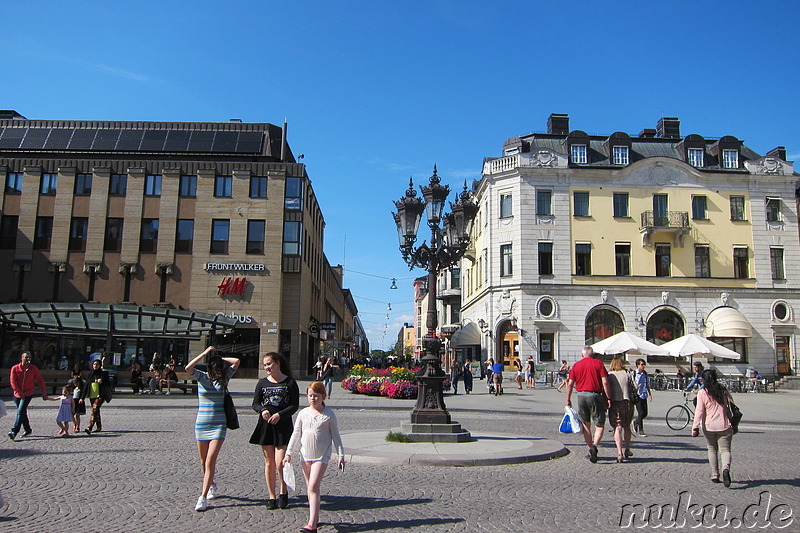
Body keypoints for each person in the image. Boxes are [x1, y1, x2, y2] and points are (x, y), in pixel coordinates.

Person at [284, 381, 345, 533]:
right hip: (305, 454)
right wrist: (288, 453)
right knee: (310, 487)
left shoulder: (329, 415)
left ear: (323, 396)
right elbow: (296, 434)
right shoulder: (303, 413)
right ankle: (315, 516)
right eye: (310, 395)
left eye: (316, 396)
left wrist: (341, 455)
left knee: (313, 486)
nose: (312, 399)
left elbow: (335, 436)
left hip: (322, 455)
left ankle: (312, 524)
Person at [185, 345, 240, 512]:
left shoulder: (224, 378)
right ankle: (211, 484)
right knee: (203, 461)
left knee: (210, 460)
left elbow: (237, 361)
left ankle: (202, 497)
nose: (218, 371)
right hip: (201, 424)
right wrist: (205, 353)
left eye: (219, 369)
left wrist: (220, 358)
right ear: (210, 368)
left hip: (219, 424)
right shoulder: (202, 377)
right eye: (215, 368)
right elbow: (188, 368)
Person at [249, 352, 300, 511]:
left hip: (283, 426)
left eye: (269, 364)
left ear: (277, 363)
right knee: (269, 463)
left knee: (280, 462)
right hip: (266, 426)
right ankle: (272, 496)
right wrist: (262, 410)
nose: (267, 368)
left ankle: (283, 492)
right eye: (265, 365)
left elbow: (294, 405)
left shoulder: (290, 382)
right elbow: (255, 404)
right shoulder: (262, 383)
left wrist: (280, 414)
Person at [565, 346, 611, 463]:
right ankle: (595, 446)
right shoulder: (598, 364)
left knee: (586, 424)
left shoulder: (576, 365)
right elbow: (605, 382)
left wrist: (568, 399)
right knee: (599, 424)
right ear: (593, 354)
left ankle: (589, 448)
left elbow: (570, 384)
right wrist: (609, 398)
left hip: (581, 396)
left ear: (582, 355)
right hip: (595, 395)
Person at [691, 369, 735, 487]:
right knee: (725, 450)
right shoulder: (723, 390)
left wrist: (695, 427)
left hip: (709, 425)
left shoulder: (702, 392)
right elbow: (731, 406)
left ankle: (714, 475)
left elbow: (699, 411)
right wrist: (734, 423)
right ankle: (725, 469)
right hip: (724, 424)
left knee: (712, 449)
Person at [8, 352, 50, 440]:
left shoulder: (33, 369)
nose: (28, 359)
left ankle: (14, 431)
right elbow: (13, 382)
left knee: (20, 411)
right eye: (26, 357)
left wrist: (44, 393)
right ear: (22, 358)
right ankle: (27, 429)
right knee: (22, 412)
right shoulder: (15, 368)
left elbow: (40, 381)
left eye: (29, 357)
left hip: (28, 393)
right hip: (17, 394)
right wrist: (19, 392)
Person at [607, 358, 634, 463]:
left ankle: (619, 453)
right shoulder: (627, 374)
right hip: (627, 403)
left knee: (618, 427)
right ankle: (627, 449)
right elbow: (635, 387)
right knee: (627, 426)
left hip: (615, 403)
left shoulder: (610, 375)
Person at [82, 358, 113, 435]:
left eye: (97, 364)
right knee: (96, 411)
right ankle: (99, 426)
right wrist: (82, 397)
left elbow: (108, 384)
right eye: (94, 364)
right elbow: (86, 386)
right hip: (92, 395)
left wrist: (102, 382)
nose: (95, 366)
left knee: (94, 409)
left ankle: (90, 427)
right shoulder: (90, 374)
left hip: (100, 395)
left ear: (100, 365)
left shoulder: (103, 374)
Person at [632, 359, 652, 437]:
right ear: (638, 365)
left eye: (644, 364)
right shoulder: (634, 373)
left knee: (645, 413)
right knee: (640, 412)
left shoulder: (645, 374)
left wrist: (650, 394)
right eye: (642, 364)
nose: (643, 366)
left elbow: (647, 384)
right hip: (637, 395)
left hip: (644, 394)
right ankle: (641, 430)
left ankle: (636, 422)